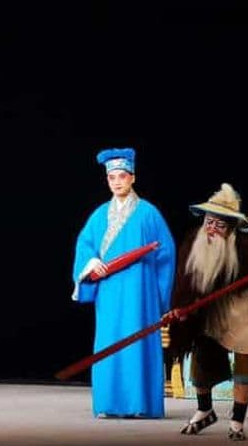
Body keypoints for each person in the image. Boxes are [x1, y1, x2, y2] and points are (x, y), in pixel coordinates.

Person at [168, 183, 248, 441]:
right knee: (201, 359)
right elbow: (185, 281)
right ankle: (205, 411)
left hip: (245, 307)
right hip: (212, 309)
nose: (211, 229)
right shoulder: (195, 241)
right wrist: (180, 309)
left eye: (219, 224)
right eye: (208, 222)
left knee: (245, 362)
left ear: (232, 226)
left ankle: (237, 421)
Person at [71, 147, 176, 418]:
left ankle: (140, 404)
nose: (117, 182)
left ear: (133, 178)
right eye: (112, 178)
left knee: (136, 342)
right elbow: (85, 245)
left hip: (139, 291)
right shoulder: (100, 215)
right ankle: (108, 404)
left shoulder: (148, 213)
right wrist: (92, 264)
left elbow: (166, 253)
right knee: (108, 342)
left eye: (122, 176)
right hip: (109, 289)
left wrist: (159, 296)